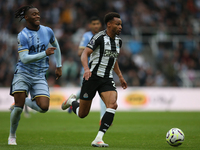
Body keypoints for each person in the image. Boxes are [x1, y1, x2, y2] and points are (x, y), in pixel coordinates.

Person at [61, 12, 127, 147]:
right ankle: (72, 101)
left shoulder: (118, 41)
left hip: (107, 79)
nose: (120, 27)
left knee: (113, 105)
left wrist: (120, 76)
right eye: (117, 24)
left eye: (121, 24)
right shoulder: (99, 37)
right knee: (82, 114)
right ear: (109, 24)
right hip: (92, 77)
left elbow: (113, 59)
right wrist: (86, 69)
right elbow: (84, 53)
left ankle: (98, 138)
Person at [8, 5, 62, 145]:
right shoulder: (23, 35)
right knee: (19, 110)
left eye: (38, 14)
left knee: (44, 107)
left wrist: (59, 66)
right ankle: (12, 135)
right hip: (23, 73)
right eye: (34, 14)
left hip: (39, 75)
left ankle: (21, 101)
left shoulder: (47, 31)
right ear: (26, 17)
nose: (37, 16)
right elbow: (24, 59)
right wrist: (45, 53)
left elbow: (56, 47)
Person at [68, 16, 106, 121]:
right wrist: (94, 48)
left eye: (97, 24)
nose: (96, 26)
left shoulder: (104, 36)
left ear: (100, 25)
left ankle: (102, 117)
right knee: (83, 93)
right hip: (87, 71)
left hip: (100, 71)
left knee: (102, 93)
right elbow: (80, 53)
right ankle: (72, 101)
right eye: (93, 24)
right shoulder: (87, 36)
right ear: (90, 25)